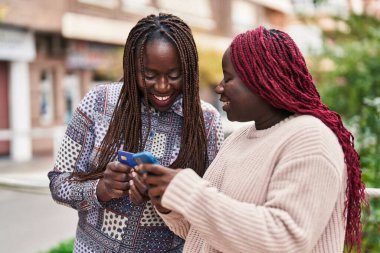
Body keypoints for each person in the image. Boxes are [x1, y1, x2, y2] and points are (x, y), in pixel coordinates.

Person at [133, 27, 366, 252]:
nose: (219, 87)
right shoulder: (238, 139)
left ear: (261, 80)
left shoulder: (311, 139)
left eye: (228, 78)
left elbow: (283, 239)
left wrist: (187, 190)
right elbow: (209, 232)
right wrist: (167, 200)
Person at [48, 13, 224, 253]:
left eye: (174, 75)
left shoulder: (207, 121)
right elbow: (58, 183)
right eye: (149, 76)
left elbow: (210, 208)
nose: (162, 87)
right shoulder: (98, 104)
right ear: (132, 68)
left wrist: (168, 196)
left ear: (189, 69)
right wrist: (101, 189)